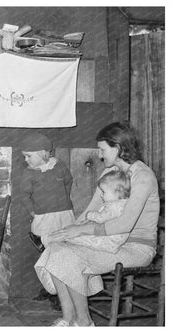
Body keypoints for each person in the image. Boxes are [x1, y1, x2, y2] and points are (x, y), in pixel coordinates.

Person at [34, 122, 160, 326]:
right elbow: (90, 211)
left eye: (103, 150)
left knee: (69, 257)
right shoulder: (108, 173)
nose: (100, 156)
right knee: (58, 248)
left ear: (118, 148)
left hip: (136, 247)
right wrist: (67, 231)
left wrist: (81, 230)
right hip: (106, 240)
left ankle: (84, 323)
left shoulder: (143, 177)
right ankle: (69, 319)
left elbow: (124, 225)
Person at [19, 133, 75, 308]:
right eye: (24, 156)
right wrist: (33, 212)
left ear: (43, 153)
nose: (26, 160)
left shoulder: (61, 167)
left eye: (29, 156)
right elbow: (24, 195)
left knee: (65, 251)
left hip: (64, 215)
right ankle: (52, 289)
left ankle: (65, 291)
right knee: (48, 252)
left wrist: (63, 202)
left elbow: (68, 182)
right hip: (44, 218)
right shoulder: (29, 173)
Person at [67, 170, 131, 253]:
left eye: (103, 192)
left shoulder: (113, 206)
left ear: (117, 193)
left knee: (78, 238)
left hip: (109, 238)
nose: (101, 195)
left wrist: (90, 214)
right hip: (115, 237)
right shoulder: (124, 203)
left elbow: (101, 218)